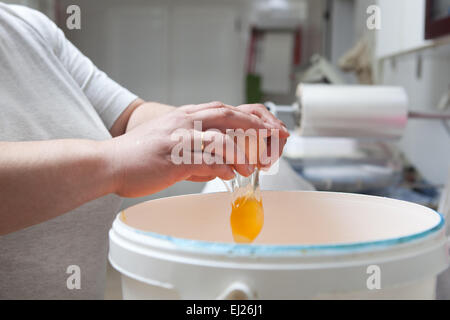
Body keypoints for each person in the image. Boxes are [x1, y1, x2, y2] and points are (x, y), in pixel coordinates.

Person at [0, 3, 288, 299]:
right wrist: (116, 164)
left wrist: (213, 128)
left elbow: (126, 118)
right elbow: (123, 148)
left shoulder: (28, 28)